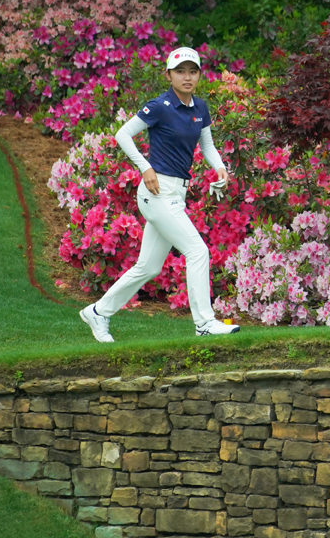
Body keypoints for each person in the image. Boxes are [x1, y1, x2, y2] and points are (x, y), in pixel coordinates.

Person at [79, 47, 240, 342]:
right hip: (156, 192)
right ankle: (204, 324)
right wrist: (144, 167)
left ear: (199, 75)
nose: (187, 77)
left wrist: (219, 167)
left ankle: (98, 312)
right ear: (169, 75)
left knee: (149, 266)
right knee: (197, 251)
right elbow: (123, 134)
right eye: (180, 72)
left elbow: (206, 145)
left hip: (175, 192)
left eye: (192, 71)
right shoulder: (161, 105)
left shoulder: (200, 108)